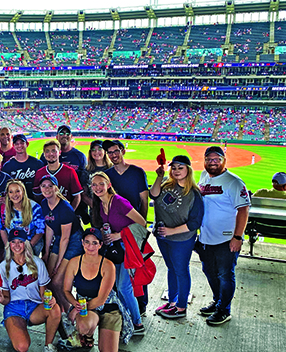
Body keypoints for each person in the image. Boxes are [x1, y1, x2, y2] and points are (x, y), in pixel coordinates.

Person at [197, 146, 250, 326]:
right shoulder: (204, 177)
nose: (213, 162)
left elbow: (243, 210)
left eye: (216, 159)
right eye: (209, 159)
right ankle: (218, 301)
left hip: (226, 238)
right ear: (204, 160)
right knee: (210, 272)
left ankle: (224, 310)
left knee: (225, 275)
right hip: (206, 237)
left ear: (224, 160)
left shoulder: (234, 182)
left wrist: (238, 237)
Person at [0, 229, 61, 352]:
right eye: (13, 242)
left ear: (26, 244)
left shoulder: (37, 262)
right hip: (14, 308)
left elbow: (43, 291)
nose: (17, 245)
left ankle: (49, 346)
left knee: (55, 309)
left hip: (34, 307)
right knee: (22, 346)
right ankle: (12, 324)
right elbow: (6, 298)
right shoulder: (3, 266)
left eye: (20, 242)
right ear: (9, 244)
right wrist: (1, 300)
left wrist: (49, 299)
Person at [91, 172, 146, 335]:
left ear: (108, 185)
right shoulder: (100, 204)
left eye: (101, 183)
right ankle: (127, 319)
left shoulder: (120, 202)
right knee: (118, 287)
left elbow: (142, 222)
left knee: (124, 287)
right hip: (116, 249)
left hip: (128, 248)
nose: (97, 187)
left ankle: (137, 324)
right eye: (94, 185)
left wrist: (118, 235)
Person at [150, 155, 204, 319]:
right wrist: (159, 176)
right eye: (174, 167)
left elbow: (195, 222)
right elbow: (153, 195)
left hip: (181, 240)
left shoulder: (194, 193)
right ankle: (172, 302)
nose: (176, 171)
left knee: (180, 270)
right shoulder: (165, 183)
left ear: (188, 169)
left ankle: (181, 308)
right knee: (171, 268)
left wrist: (171, 231)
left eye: (181, 167)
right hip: (163, 237)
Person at [103, 139, 149, 314]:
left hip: (134, 230)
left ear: (122, 151)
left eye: (116, 151)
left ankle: (141, 305)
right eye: (110, 153)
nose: (113, 155)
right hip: (115, 231)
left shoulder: (137, 172)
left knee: (137, 269)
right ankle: (122, 307)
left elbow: (144, 200)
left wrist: (141, 228)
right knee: (119, 272)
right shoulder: (108, 174)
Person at [63, 228, 120, 352]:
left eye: (94, 243)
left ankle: (103, 329)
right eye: (87, 242)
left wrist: (75, 311)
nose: (90, 246)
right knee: (83, 326)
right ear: (82, 243)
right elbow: (66, 290)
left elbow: (101, 300)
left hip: (107, 307)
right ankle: (88, 334)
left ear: (100, 245)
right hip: (85, 306)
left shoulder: (108, 265)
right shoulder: (74, 262)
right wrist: (74, 305)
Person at [39, 175, 83, 315]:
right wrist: (46, 252)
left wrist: (58, 264)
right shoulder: (44, 204)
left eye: (50, 186)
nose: (47, 189)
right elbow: (50, 228)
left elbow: (66, 238)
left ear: (56, 188)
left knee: (57, 281)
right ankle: (62, 309)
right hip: (59, 237)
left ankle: (70, 311)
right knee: (49, 280)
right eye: (44, 186)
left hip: (73, 240)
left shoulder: (65, 208)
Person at [0, 180, 45, 259]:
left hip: (31, 243)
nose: (14, 195)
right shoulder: (5, 208)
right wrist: (8, 246)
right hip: (12, 245)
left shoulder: (35, 207)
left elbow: (40, 231)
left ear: (23, 192)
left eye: (17, 191)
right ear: (8, 195)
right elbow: (2, 229)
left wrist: (28, 247)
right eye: (11, 192)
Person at [33, 139, 83, 211]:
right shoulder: (39, 173)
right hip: (46, 216)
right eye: (47, 151)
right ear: (44, 154)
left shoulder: (70, 172)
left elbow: (77, 196)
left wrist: (70, 213)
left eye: (53, 151)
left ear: (59, 152)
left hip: (64, 214)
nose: (50, 154)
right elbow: (37, 196)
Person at [2, 134, 44, 200]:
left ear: (27, 144)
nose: (19, 145)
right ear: (13, 145)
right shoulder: (7, 166)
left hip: (35, 202)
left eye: (22, 143)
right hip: (15, 203)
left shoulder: (38, 164)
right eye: (16, 143)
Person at [83, 140, 113, 207]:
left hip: (112, 208)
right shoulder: (86, 170)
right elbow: (84, 194)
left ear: (105, 151)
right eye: (93, 150)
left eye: (100, 149)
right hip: (94, 209)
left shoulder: (112, 169)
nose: (96, 152)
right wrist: (95, 207)